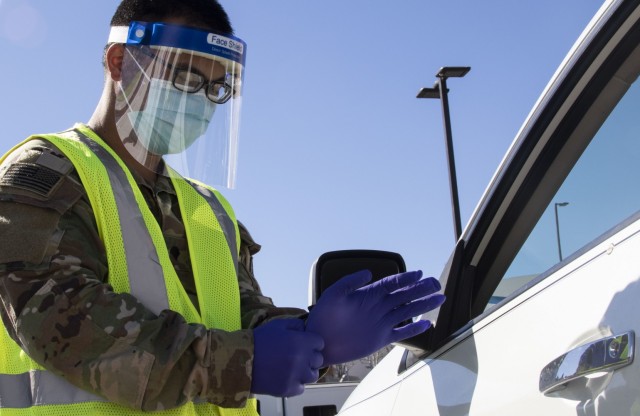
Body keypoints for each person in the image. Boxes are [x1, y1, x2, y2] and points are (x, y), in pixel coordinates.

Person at [0, 0, 446, 415]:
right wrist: (243, 364)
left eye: (216, 89)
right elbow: (67, 326)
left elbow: (243, 318)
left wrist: (318, 339)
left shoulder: (206, 209)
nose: (200, 102)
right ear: (121, 62)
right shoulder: (46, 175)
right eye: (187, 79)